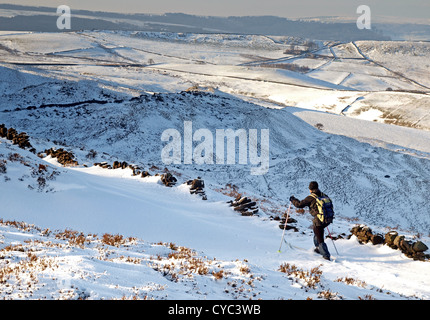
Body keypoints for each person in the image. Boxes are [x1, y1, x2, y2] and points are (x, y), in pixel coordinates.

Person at [289, 181, 331, 260]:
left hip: (319, 219)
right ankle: (318, 248)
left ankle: (326, 255)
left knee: (319, 237)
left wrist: (292, 199)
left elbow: (299, 204)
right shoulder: (324, 195)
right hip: (327, 219)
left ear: (310, 189)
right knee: (317, 231)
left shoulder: (311, 197)